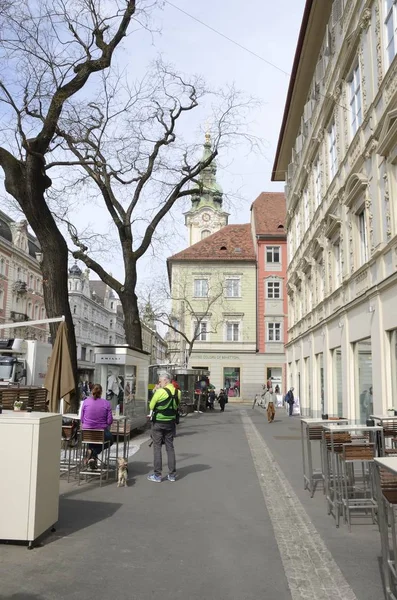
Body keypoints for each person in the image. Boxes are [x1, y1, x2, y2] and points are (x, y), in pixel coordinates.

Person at [147, 372, 180, 483]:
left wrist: (155, 392)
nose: (159, 383)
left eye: (160, 381)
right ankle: (172, 475)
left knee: (157, 448)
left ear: (166, 380)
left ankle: (157, 475)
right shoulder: (178, 392)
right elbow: (176, 406)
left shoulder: (160, 392)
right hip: (170, 422)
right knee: (170, 447)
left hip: (158, 423)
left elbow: (151, 406)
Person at [81, 384, 113, 469]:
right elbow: (110, 421)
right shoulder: (106, 403)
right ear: (101, 392)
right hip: (100, 432)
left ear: (92, 391)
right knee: (111, 439)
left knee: (92, 442)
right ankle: (93, 453)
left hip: (87, 433)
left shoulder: (86, 402)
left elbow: (82, 419)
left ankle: (92, 458)